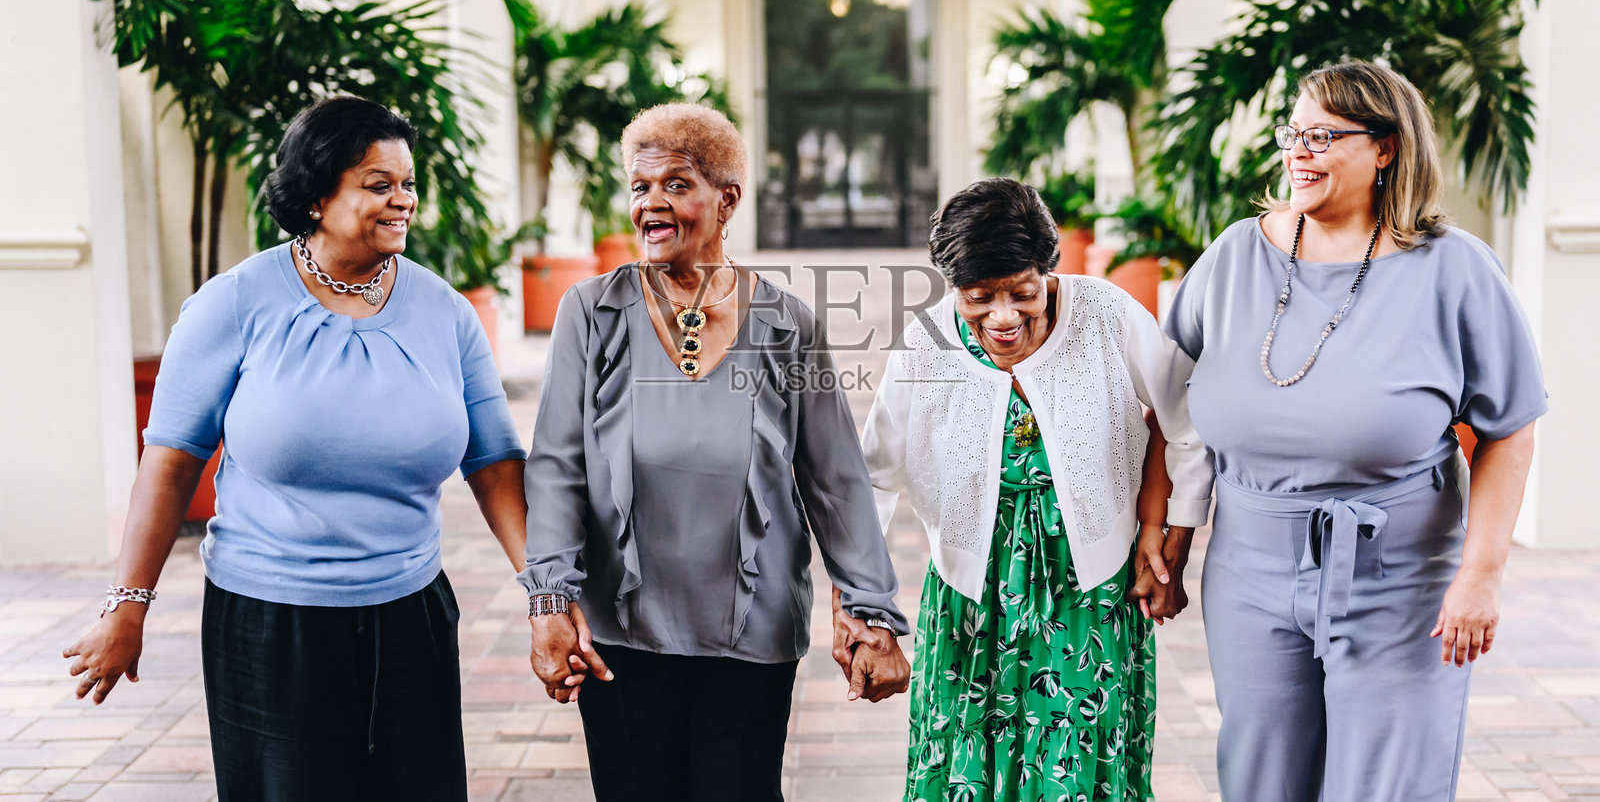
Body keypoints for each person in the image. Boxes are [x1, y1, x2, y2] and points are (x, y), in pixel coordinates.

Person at [63, 96, 529, 802]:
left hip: (412, 618)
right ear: (317, 195)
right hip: (270, 625)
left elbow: (496, 466)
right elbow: (168, 465)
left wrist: (544, 592)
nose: (402, 199)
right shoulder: (233, 304)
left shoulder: (446, 314)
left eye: (407, 182)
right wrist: (128, 604)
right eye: (379, 184)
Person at [1160, 60, 1546, 801]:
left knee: (1384, 785)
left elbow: (1511, 431)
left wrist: (1481, 575)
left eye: (1323, 136)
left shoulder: (1456, 269)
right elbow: (1166, 408)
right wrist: (1166, 534)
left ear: (1386, 148)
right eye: (1293, 133)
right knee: (1260, 781)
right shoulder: (1235, 256)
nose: (1299, 151)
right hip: (1249, 570)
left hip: (1400, 576)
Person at [521, 102, 911, 802]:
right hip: (622, 627)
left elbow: (836, 480)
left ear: (726, 199)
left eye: (675, 184)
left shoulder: (787, 322)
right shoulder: (591, 311)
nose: (651, 205)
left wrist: (871, 610)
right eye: (639, 188)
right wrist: (549, 598)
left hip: (751, 629)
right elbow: (555, 466)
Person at [855, 177, 1213, 802]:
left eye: (1022, 294)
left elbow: (1186, 421)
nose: (1002, 317)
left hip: (1090, 592)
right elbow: (875, 474)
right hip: (971, 597)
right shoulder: (928, 339)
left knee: (1076, 770)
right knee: (968, 769)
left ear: (1047, 269)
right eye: (978, 298)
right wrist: (861, 608)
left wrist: (1168, 536)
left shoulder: (1104, 314)